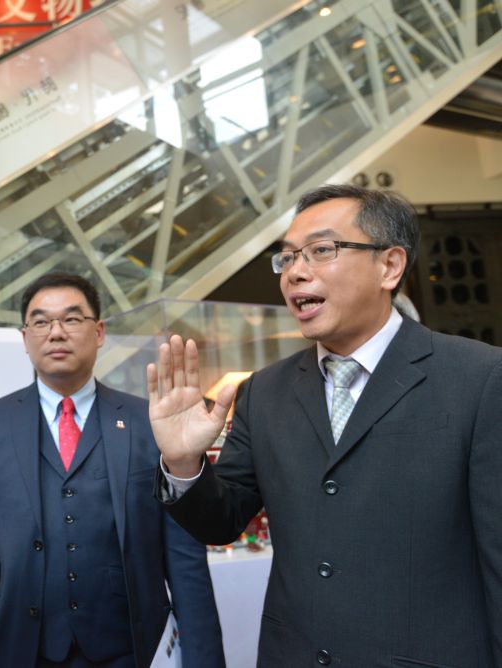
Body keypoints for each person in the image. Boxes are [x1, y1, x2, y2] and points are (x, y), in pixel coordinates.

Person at [150, 184, 502, 666]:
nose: (296, 271)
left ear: (390, 266)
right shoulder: (264, 391)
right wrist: (183, 460)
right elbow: (222, 521)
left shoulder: (479, 378)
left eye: (322, 250)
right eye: (288, 257)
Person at [0, 272, 224, 668]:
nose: (56, 332)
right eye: (41, 322)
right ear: (24, 338)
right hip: (17, 648)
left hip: (129, 648)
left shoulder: (146, 421)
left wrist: (202, 658)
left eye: (72, 319)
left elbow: (183, 555)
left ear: (99, 332)